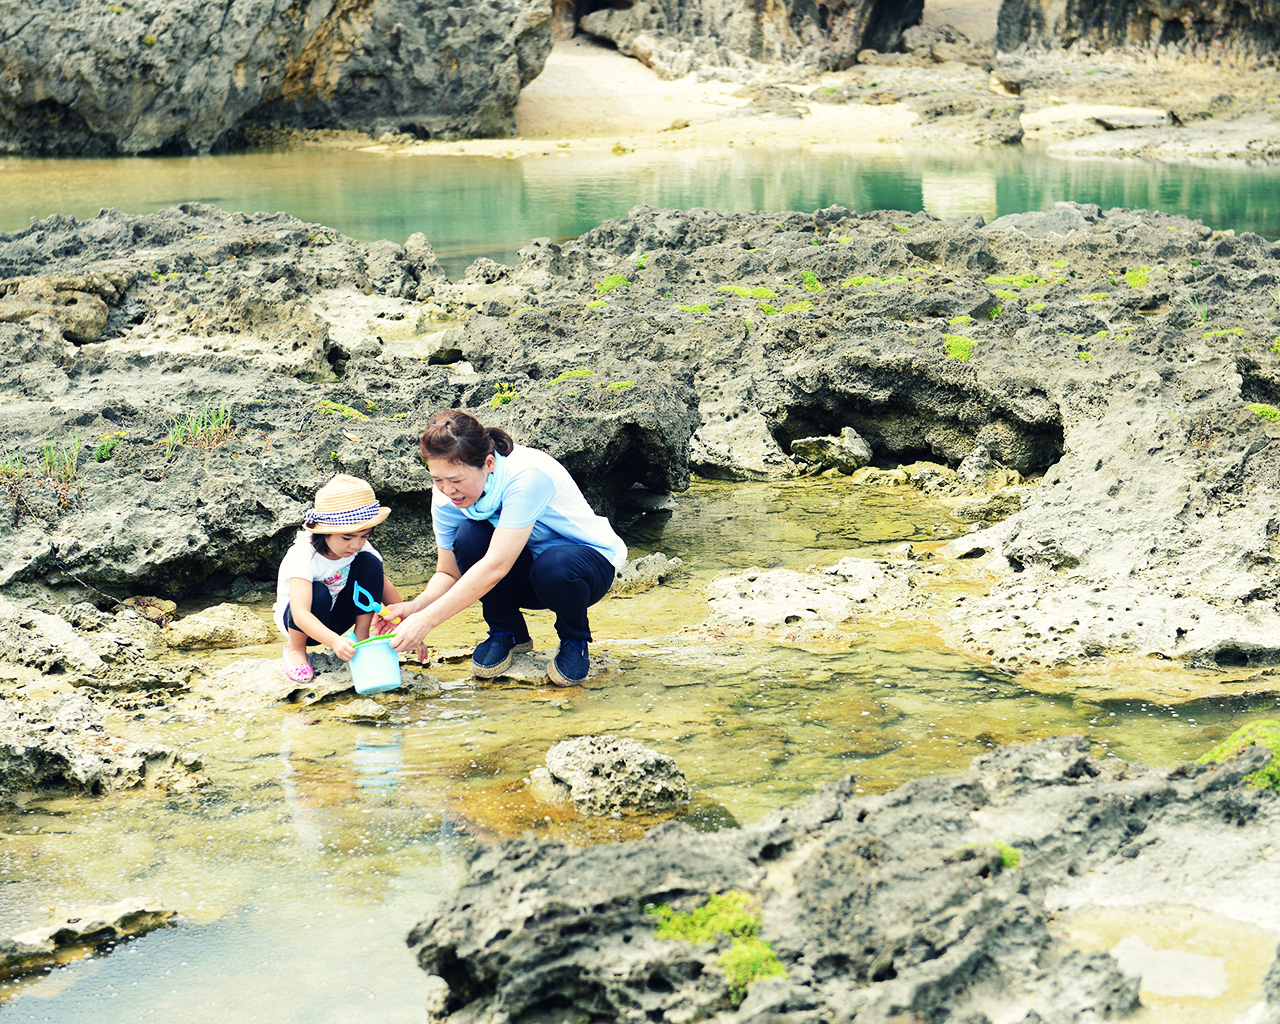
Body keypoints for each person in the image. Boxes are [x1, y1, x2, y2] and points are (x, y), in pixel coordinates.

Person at [378, 409, 626, 686]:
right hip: (526, 574)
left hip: (582, 571)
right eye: (438, 480)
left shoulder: (527, 477)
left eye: (457, 480)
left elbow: (496, 566)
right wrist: (416, 606)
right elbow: (448, 572)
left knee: (554, 564)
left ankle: (574, 639)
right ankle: (507, 632)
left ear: (488, 463)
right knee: (470, 534)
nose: (447, 490)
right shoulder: (447, 495)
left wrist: (427, 621)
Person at [274, 474, 403, 683]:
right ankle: (295, 650)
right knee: (319, 592)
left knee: (370, 563)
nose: (356, 545)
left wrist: (408, 623)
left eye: (364, 536)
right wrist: (334, 641)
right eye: (347, 537)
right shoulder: (303, 556)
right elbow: (299, 613)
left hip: (338, 615)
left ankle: (362, 636)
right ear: (325, 532)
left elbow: (381, 583)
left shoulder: (359, 548)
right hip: (302, 624)